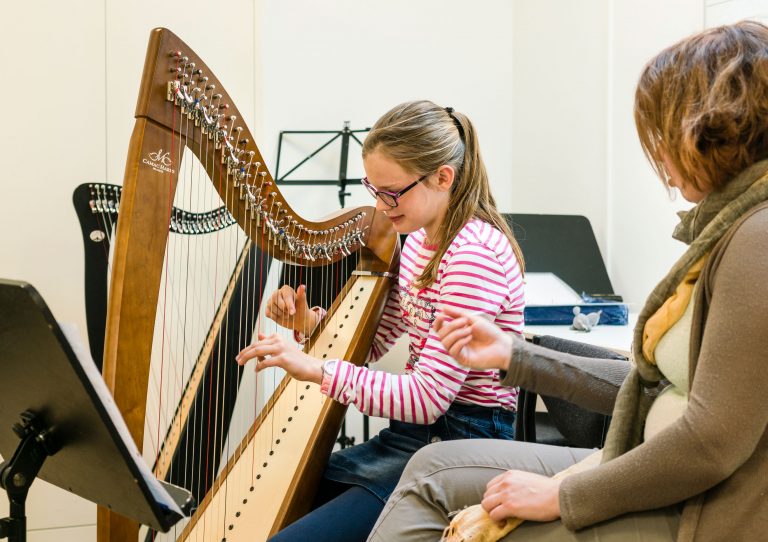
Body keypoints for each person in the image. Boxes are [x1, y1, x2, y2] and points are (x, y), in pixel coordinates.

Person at [367, 21, 768, 542]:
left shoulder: (755, 238)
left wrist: (560, 493)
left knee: (441, 491)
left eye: (662, 135)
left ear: (709, 131)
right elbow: (651, 390)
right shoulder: (729, 228)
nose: (661, 160)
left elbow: (709, 444)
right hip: (641, 456)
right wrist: (516, 356)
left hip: (701, 507)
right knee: (430, 469)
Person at [236, 100, 526, 541]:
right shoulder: (421, 242)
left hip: (462, 444)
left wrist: (315, 369)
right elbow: (374, 340)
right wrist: (310, 325)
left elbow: (429, 397)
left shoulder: (473, 255)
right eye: (372, 189)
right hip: (415, 438)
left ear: (443, 178)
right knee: (276, 504)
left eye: (391, 192)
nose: (380, 205)